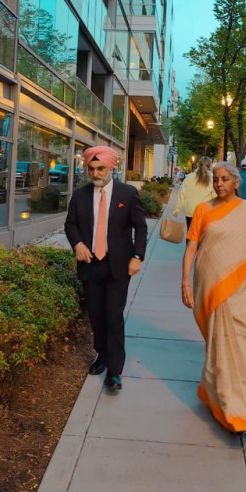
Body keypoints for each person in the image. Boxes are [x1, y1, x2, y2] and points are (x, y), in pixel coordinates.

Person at [181, 161, 246, 436]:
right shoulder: (203, 210)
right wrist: (185, 283)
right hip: (210, 287)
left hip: (243, 292)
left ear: (236, 182)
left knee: (237, 348)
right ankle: (215, 394)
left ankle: (237, 412)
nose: (219, 184)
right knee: (217, 344)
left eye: (224, 179)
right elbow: (191, 248)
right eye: (215, 179)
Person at [65, 145, 147, 391]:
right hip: (90, 265)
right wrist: (78, 243)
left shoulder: (127, 194)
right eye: (91, 169)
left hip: (118, 267)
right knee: (96, 315)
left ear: (112, 167)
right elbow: (70, 225)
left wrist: (137, 256)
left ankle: (114, 370)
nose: (96, 173)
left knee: (113, 315)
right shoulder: (79, 196)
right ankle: (101, 354)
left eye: (100, 168)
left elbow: (140, 228)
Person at [173, 156, 216, 229]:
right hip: (205, 212)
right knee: (202, 236)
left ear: (198, 165)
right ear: (210, 166)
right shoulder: (212, 179)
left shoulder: (189, 177)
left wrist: (177, 209)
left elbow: (182, 193)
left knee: (190, 234)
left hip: (190, 210)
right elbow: (215, 196)